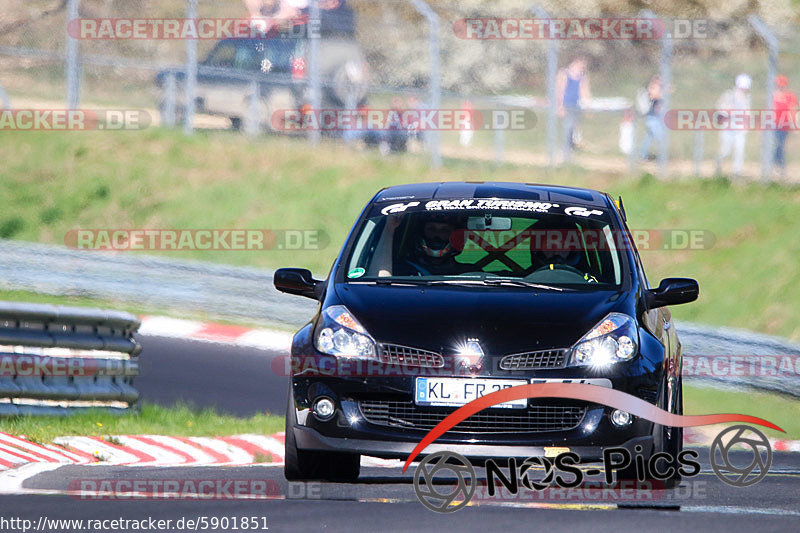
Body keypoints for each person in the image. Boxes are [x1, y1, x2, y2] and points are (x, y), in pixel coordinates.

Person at [715, 74, 751, 178]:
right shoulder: (729, 95)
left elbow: (747, 113)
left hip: (740, 129)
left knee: (740, 150)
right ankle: (719, 161)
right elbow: (720, 107)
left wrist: (746, 125)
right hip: (728, 127)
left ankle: (737, 172)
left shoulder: (747, 98)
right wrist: (727, 110)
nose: (744, 89)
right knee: (726, 150)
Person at [556, 56, 591, 163]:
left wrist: (588, 106)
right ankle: (566, 150)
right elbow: (559, 89)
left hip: (576, 105)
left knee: (574, 128)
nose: (583, 67)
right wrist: (560, 106)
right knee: (568, 127)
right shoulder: (564, 73)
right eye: (581, 64)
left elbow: (584, 91)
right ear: (576, 62)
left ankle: (570, 149)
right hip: (566, 104)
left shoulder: (583, 76)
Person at [772, 74, 797, 180]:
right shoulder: (773, 95)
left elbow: (793, 110)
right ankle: (775, 164)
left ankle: (780, 166)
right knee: (774, 144)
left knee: (780, 145)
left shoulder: (790, 96)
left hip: (784, 125)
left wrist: (795, 126)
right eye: (779, 85)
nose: (780, 87)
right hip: (774, 124)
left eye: (782, 85)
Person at [638, 74, 664, 160]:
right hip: (652, 118)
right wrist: (663, 94)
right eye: (659, 80)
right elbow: (654, 96)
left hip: (655, 117)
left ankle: (642, 154)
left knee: (648, 137)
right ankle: (663, 156)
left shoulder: (658, 88)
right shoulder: (652, 88)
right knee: (660, 136)